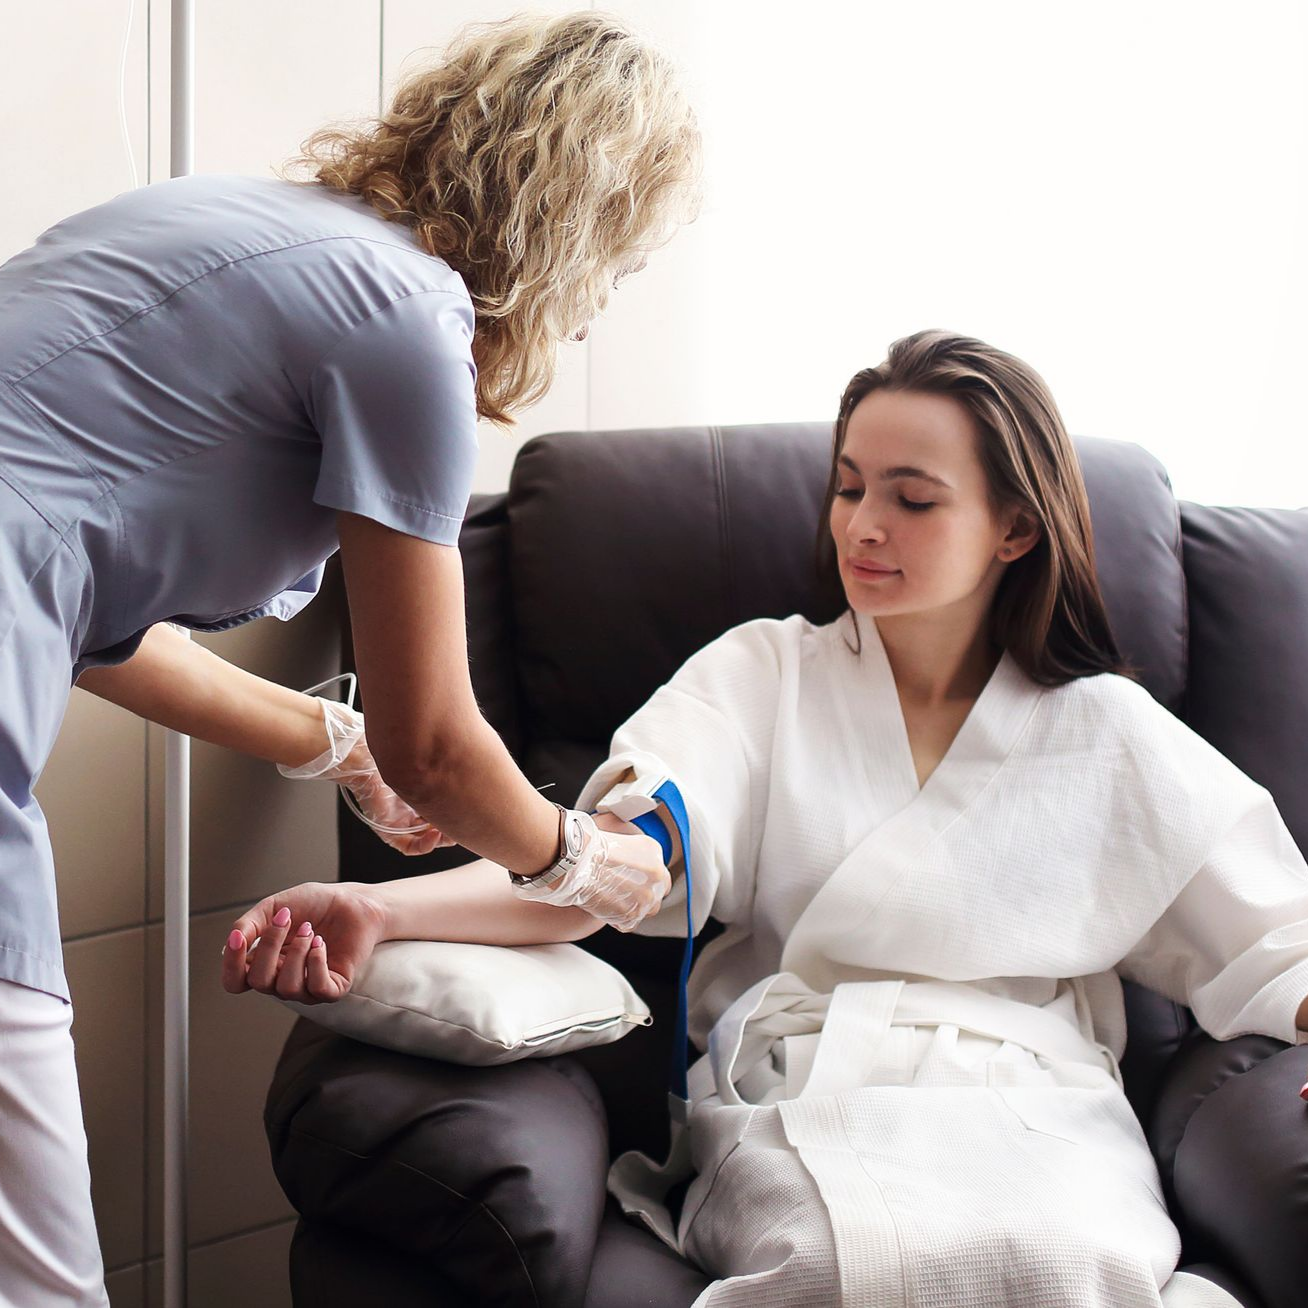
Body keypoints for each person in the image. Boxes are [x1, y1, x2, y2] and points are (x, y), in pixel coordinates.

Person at [234, 330, 1308, 1307]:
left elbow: (1275, 937)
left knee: (1077, 1264)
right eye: (847, 488)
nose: (862, 525)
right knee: (848, 1267)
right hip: (816, 1085)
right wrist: (382, 907)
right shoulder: (760, 676)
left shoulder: (1106, 732)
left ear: (1015, 528)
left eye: (912, 498)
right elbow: (609, 868)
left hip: (1034, 1104)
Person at [0, 11, 699, 1303]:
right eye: (621, 268)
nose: (598, 313)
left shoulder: (207, 219)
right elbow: (444, 744)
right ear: (584, 226)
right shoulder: (408, 325)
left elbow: (86, 614)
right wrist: (572, 862)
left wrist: (334, 741)